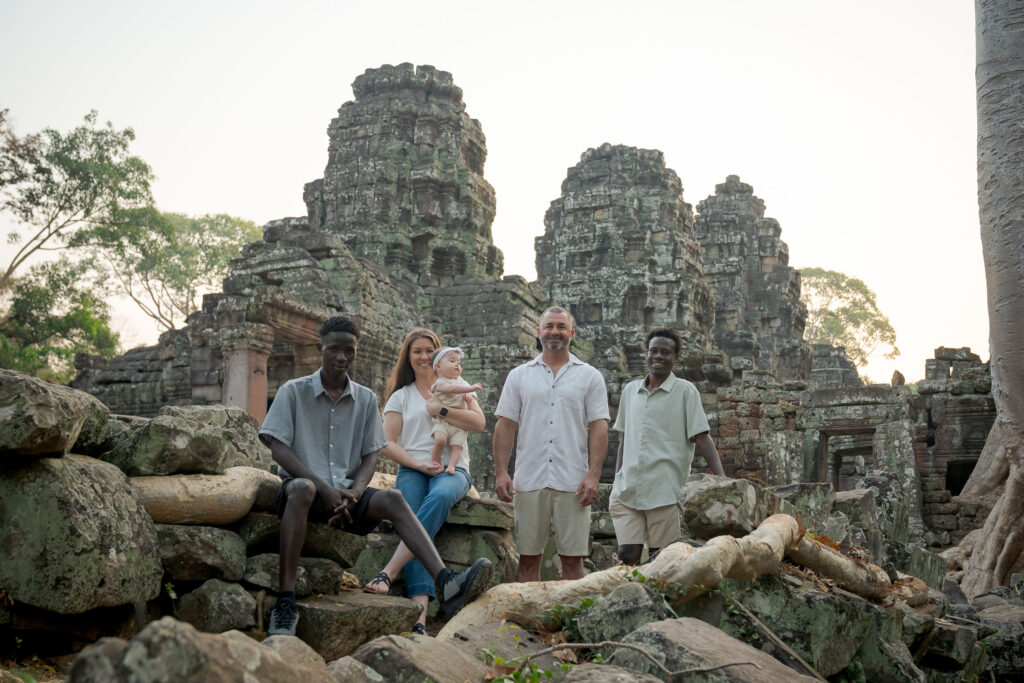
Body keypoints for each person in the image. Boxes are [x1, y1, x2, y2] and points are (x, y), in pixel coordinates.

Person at [258, 316, 492, 636]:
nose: (341, 357)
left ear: (356, 351)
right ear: (319, 348)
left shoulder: (366, 399)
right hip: (304, 496)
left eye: (349, 350)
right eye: (333, 349)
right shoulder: (293, 391)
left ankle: (446, 581)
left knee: (393, 499)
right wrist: (326, 490)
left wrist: (354, 492)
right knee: (301, 488)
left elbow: (371, 454)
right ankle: (285, 603)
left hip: (347, 497)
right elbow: (278, 449)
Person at [362, 328, 486, 634]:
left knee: (440, 497)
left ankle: (388, 572)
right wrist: (417, 463)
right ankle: (420, 621)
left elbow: (479, 423)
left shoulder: (456, 387)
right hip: (413, 469)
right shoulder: (400, 396)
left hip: (452, 470)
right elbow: (386, 442)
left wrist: (441, 409)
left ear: (439, 355)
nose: (423, 356)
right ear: (408, 357)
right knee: (413, 516)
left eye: (429, 350)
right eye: (417, 351)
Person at [493, 306, 610, 582]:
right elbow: (505, 425)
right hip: (530, 478)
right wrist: (501, 472)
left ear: (571, 332)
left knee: (573, 561)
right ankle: (525, 623)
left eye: (560, 326)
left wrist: (594, 474)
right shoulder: (519, 376)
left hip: (574, 480)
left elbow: (599, 427)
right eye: (549, 326)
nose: (554, 331)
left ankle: (571, 623)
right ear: (538, 332)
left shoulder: (589, 376)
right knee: (528, 560)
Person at [610, 327, 726, 565]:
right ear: (646, 354)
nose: (658, 356)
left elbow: (702, 437)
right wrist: (617, 475)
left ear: (676, 357)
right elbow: (624, 437)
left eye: (666, 352)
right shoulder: (630, 391)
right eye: (653, 350)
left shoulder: (685, 391)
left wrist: (722, 478)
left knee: (661, 561)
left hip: (664, 491)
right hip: (627, 488)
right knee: (626, 555)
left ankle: (658, 602)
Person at [429, 346, 482, 475]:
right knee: (440, 439)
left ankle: (452, 466)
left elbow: (477, 416)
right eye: (452, 361)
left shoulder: (463, 383)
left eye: (459, 362)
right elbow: (452, 389)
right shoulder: (439, 383)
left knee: (457, 446)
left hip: (459, 425)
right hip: (443, 422)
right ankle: (435, 460)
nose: (457, 365)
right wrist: (471, 389)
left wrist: (469, 398)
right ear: (438, 367)